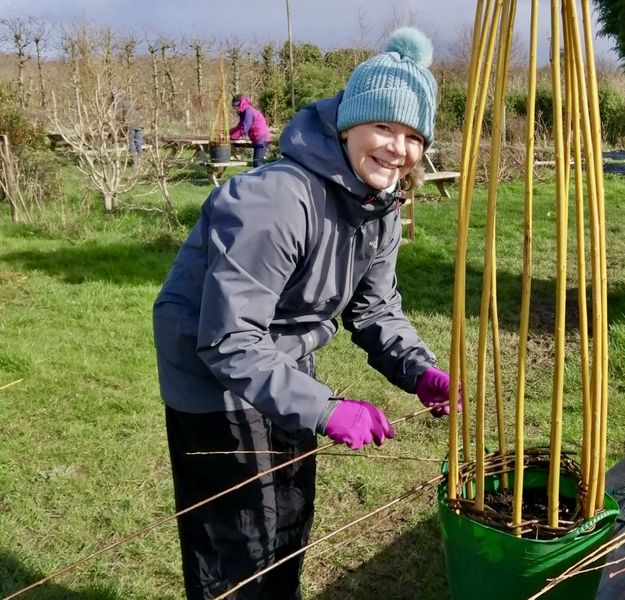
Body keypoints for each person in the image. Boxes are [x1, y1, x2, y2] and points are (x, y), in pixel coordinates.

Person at [153, 27, 460, 600]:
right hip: (211, 370)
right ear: (348, 126)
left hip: (287, 356)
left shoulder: (379, 207)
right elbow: (229, 341)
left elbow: (374, 308)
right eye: (383, 128)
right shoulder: (275, 200)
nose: (398, 148)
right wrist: (325, 407)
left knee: (290, 509)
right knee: (239, 536)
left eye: (414, 135)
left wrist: (419, 370)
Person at [229, 94, 271, 168]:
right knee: (257, 163)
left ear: (239, 105)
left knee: (258, 164)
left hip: (261, 139)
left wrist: (231, 137)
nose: (235, 110)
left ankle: (263, 178)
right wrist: (228, 132)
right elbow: (239, 127)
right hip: (258, 139)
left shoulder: (248, 112)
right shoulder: (244, 112)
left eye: (235, 108)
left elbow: (244, 128)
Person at [110, 85, 144, 162]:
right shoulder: (128, 101)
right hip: (139, 124)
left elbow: (119, 115)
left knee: (130, 143)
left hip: (130, 125)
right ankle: (140, 160)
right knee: (138, 143)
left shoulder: (119, 102)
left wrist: (118, 125)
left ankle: (135, 162)